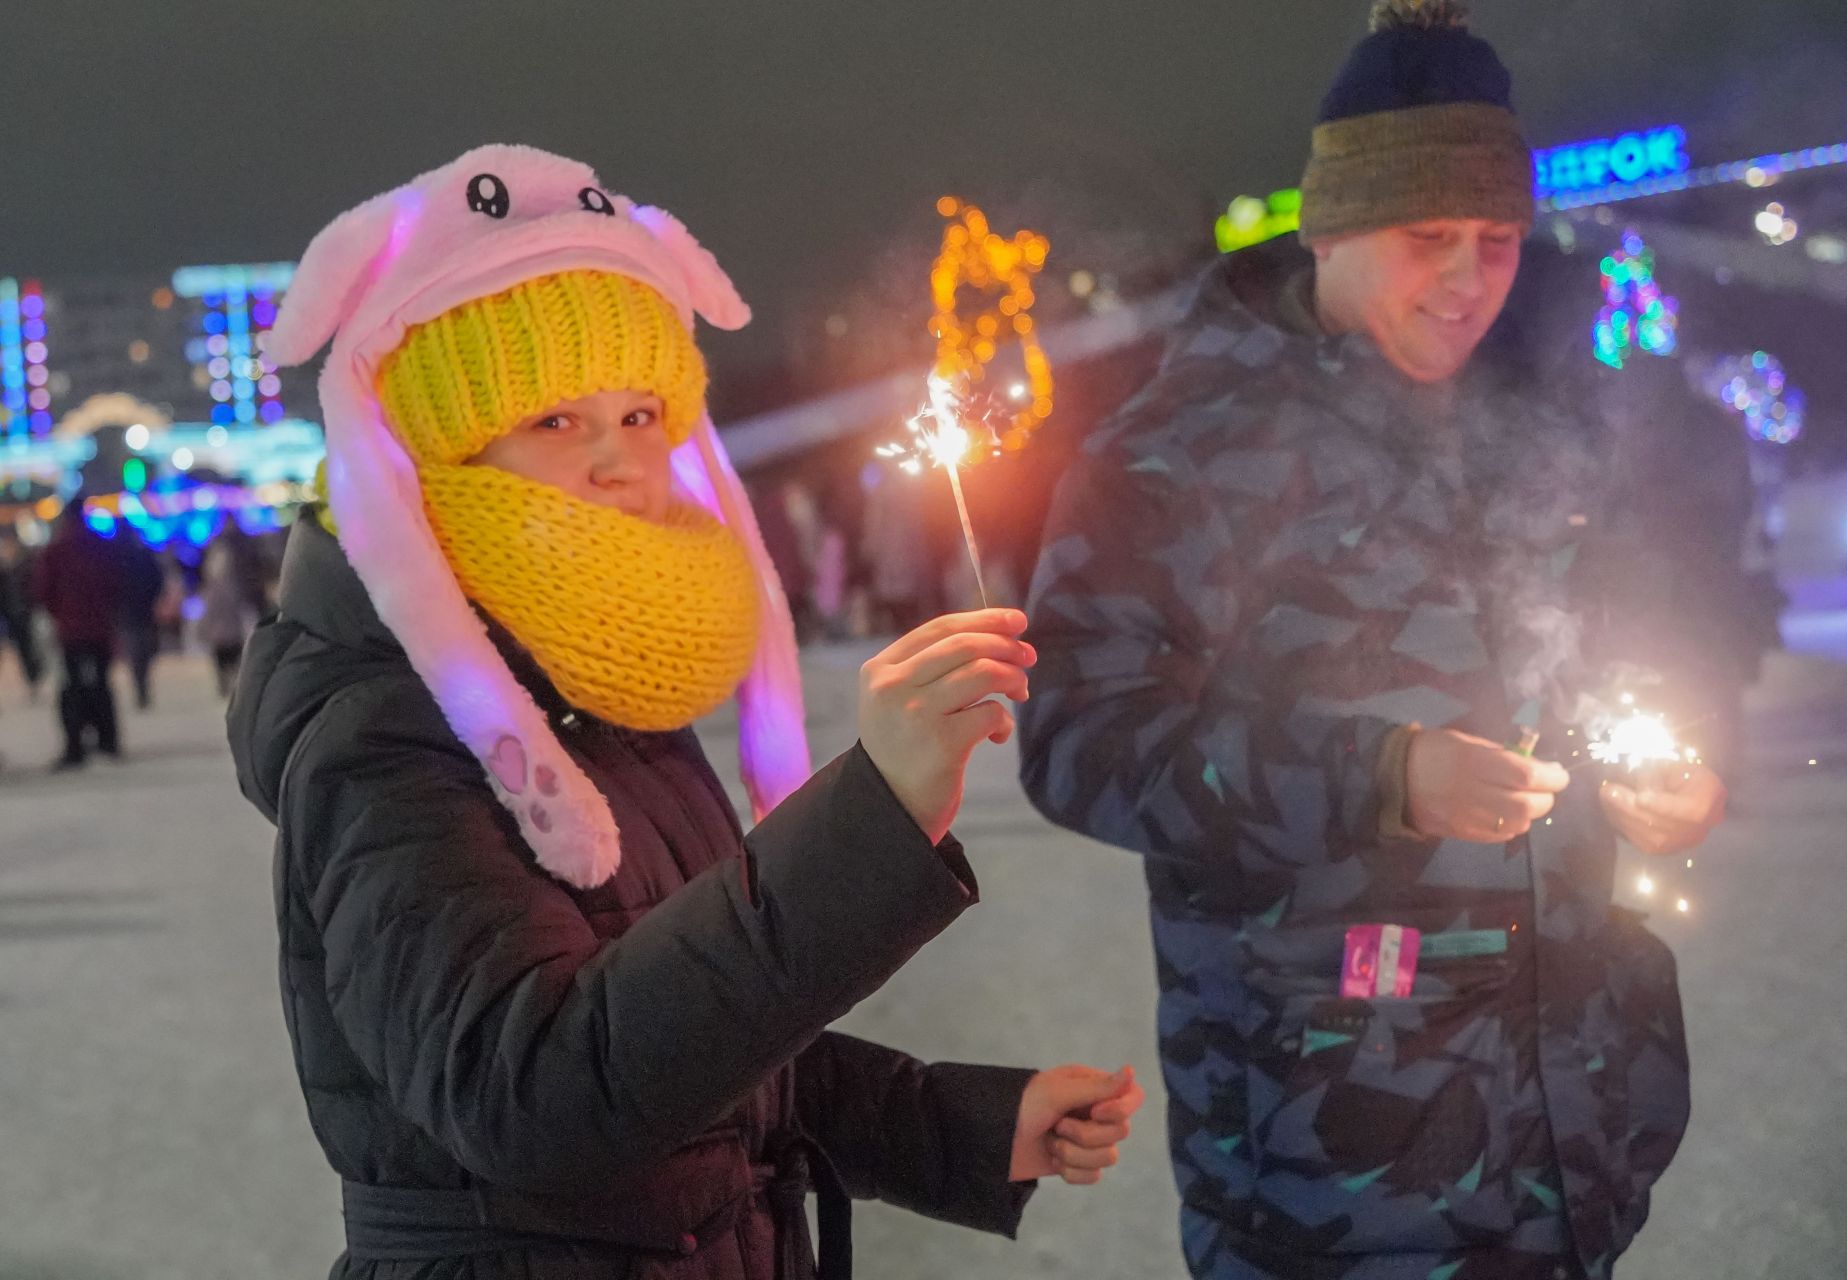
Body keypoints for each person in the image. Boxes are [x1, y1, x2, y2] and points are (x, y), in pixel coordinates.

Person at [228, 145, 1145, 1280]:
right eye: (555, 420)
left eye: (641, 410)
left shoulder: (594, 680)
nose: (618, 460)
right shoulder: (390, 728)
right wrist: (869, 817)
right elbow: (538, 1094)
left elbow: (691, 1033)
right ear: (429, 453)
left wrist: (950, 1123)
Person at [1019, 5, 1726, 1277]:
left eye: (1498, 240)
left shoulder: (1545, 428)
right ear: (1334, 224)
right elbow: (1078, 737)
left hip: (1565, 1136)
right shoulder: (1178, 451)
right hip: (1327, 1165)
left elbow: (1622, 634)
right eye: (1429, 237)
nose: (1468, 278)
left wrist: (1672, 764)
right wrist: (1383, 775)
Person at [32, 502, 123, 768]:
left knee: (71, 687)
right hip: (100, 626)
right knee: (101, 684)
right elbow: (115, 583)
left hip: (70, 629)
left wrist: (58, 613)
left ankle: (75, 745)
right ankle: (108, 738)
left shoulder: (57, 549)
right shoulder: (100, 547)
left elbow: (42, 590)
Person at [198, 526, 256, 698]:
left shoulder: (222, 583)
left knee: (226, 651)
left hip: (224, 622)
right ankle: (228, 680)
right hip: (225, 622)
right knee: (227, 651)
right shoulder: (229, 582)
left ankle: (228, 680)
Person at [115, 528, 166, 710]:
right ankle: (142, 685)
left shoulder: (119, 557)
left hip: (133, 612)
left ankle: (141, 684)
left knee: (138, 650)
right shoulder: (141, 555)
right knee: (141, 649)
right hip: (139, 611)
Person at [0, 528, 45, 700]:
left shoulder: (22, 565)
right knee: (25, 647)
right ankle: (33, 674)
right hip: (14, 613)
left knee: (27, 647)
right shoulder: (10, 568)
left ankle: (33, 675)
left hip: (22, 612)